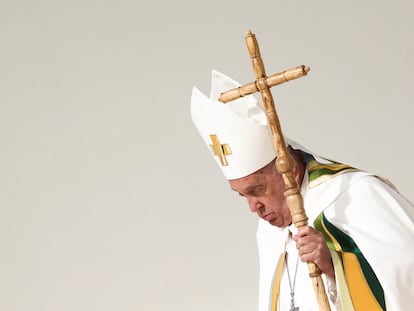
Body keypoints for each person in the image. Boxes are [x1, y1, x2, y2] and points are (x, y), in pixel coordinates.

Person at [191, 70, 414, 311]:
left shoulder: (356, 194)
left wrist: (332, 267)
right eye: (242, 195)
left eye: (257, 189)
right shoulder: (268, 230)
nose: (253, 207)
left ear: (291, 173)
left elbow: (406, 281)